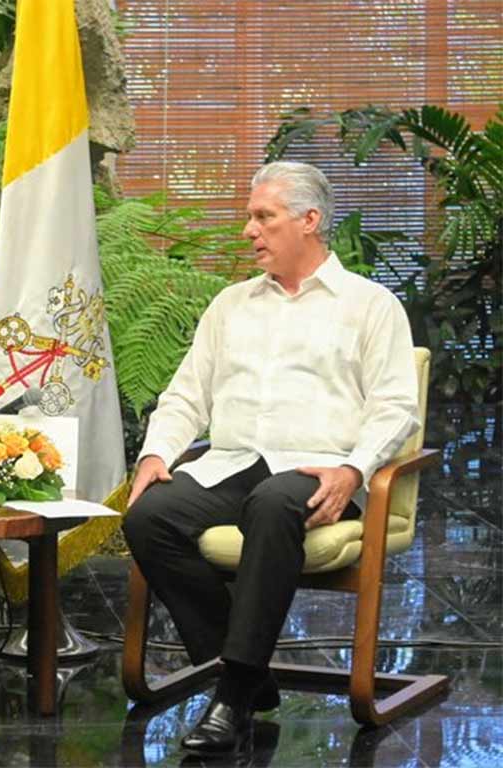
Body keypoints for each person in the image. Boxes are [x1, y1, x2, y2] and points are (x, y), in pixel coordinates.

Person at [122, 162, 419, 755]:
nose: (249, 230)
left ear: (309, 220)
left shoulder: (370, 305)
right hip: (233, 462)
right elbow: (186, 395)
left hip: (319, 469)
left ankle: (232, 696)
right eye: (249, 217)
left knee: (273, 503)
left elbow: (395, 408)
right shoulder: (231, 305)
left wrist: (353, 470)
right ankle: (250, 674)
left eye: (264, 217)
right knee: (148, 517)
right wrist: (157, 452)